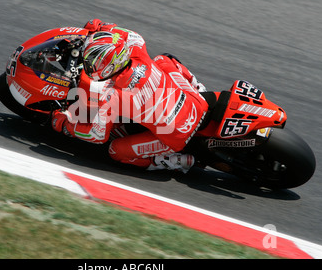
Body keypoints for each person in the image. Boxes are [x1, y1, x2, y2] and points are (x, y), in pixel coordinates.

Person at [51, 19, 208, 173]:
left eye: (94, 62)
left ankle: (167, 161)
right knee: (162, 59)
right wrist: (104, 28)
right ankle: (197, 86)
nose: (89, 65)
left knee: (115, 150)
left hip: (176, 135)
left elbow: (97, 135)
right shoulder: (138, 54)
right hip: (197, 104)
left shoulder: (112, 96)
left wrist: (65, 125)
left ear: (110, 65)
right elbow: (133, 36)